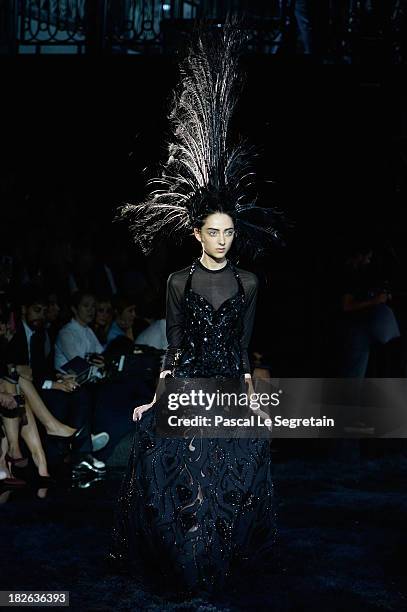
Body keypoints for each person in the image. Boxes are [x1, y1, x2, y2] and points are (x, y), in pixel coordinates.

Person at [110, 24, 280, 595]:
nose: (224, 240)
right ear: (196, 233)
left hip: (227, 388)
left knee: (227, 479)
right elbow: (175, 345)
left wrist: (254, 398)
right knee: (185, 479)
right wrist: (155, 397)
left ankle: (213, 567)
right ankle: (190, 569)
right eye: (214, 231)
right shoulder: (178, 281)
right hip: (186, 386)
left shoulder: (250, 281)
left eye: (230, 232)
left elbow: (242, 346)